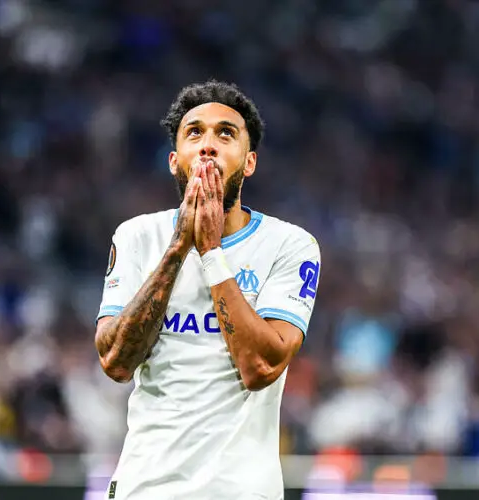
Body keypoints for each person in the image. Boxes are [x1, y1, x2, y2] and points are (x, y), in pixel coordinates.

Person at [94, 80, 321, 500]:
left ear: (249, 162)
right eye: (194, 132)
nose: (209, 144)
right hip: (145, 489)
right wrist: (180, 247)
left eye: (226, 134)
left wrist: (211, 251)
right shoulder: (137, 236)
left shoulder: (289, 245)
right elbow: (115, 362)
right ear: (174, 160)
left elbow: (258, 369)